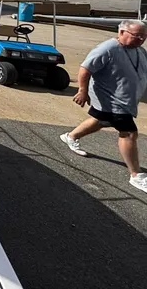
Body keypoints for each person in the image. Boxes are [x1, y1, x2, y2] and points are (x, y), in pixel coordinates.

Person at [60, 19, 147, 193]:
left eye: (144, 36)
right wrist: (82, 91)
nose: (141, 39)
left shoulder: (139, 51)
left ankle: (70, 136)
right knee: (129, 133)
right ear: (121, 32)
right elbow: (85, 69)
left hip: (127, 99)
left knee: (100, 121)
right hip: (112, 100)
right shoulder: (107, 49)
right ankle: (136, 175)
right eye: (137, 35)